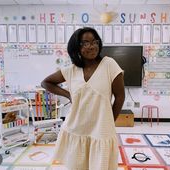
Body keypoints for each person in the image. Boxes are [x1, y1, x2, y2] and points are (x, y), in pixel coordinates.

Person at [41, 27, 125, 170]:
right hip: (76, 129)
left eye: (94, 42)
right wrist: (68, 94)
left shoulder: (109, 64)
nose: (92, 46)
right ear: (76, 48)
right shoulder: (71, 70)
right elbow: (46, 83)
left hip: (101, 131)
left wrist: (109, 120)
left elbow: (120, 97)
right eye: (85, 43)